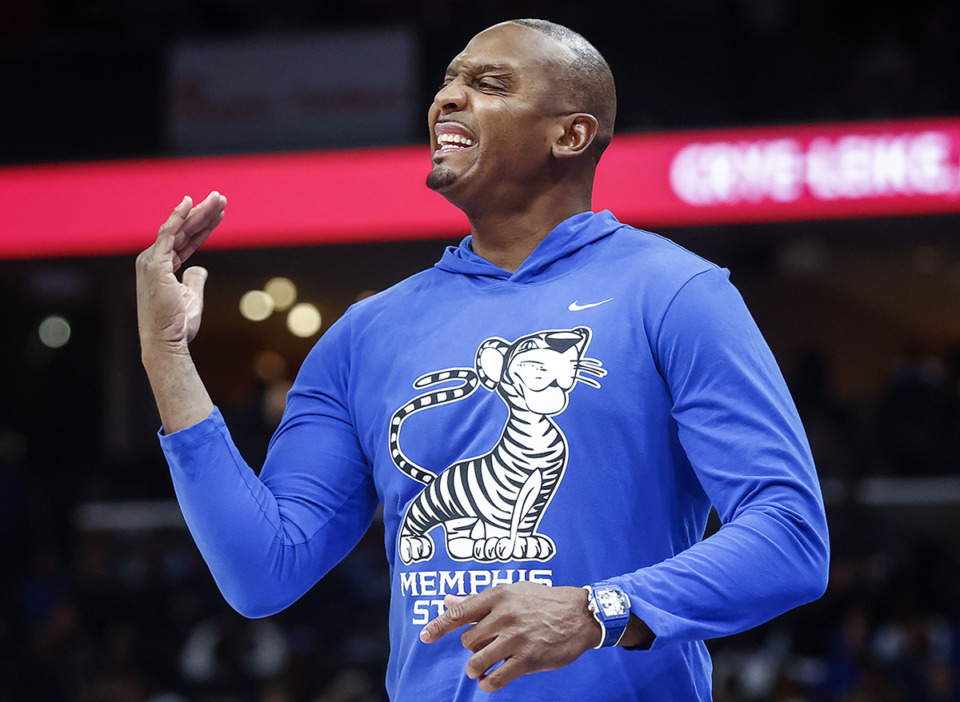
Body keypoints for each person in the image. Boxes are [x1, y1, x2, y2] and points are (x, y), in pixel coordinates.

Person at [136, 19, 829, 701]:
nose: (448, 99)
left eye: (489, 83)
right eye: (448, 82)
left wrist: (599, 609)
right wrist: (168, 358)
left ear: (571, 134)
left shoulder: (675, 293)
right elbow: (264, 571)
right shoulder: (365, 334)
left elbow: (791, 537)